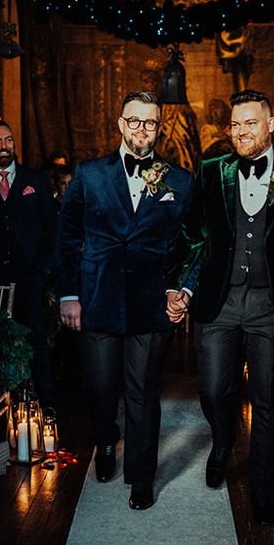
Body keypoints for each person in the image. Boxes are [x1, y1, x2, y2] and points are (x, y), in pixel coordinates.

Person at [166, 89, 274, 524]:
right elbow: (192, 236)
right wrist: (178, 287)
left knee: (266, 398)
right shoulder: (211, 171)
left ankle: (260, 487)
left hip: (269, 305)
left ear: (271, 125)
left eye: (250, 123)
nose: (241, 132)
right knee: (213, 388)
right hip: (219, 302)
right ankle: (222, 442)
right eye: (235, 125)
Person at [56, 90, 194, 511]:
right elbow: (67, 237)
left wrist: (182, 289)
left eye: (150, 123)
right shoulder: (90, 175)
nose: (142, 130)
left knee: (143, 394)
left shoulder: (180, 180)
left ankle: (141, 477)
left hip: (150, 306)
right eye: (134, 121)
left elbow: (193, 244)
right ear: (120, 124)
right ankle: (105, 439)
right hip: (97, 301)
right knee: (100, 390)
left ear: (159, 127)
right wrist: (68, 295)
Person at [0, 119, 58, 409]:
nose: (3, 146)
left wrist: (42, 268)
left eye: (8, 140)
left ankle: (46, 406)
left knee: (36, 342)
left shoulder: (34, 180)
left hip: (29, 274)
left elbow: (53, 227)